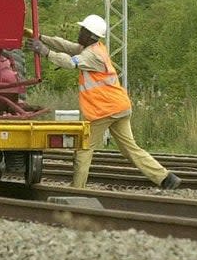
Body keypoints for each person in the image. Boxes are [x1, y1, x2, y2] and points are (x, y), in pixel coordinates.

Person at [27, 14, 181, 191]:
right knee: (130, 149)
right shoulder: (95, 48)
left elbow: (70, 62)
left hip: (104, 110)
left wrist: (45, 52)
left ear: (90, 35)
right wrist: (40, 38)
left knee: (84, 149)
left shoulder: (92, 56)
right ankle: (165, 178)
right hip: (119, 107)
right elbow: (67, 46)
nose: (79, 33)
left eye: (82, 30)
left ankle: (77, 189)